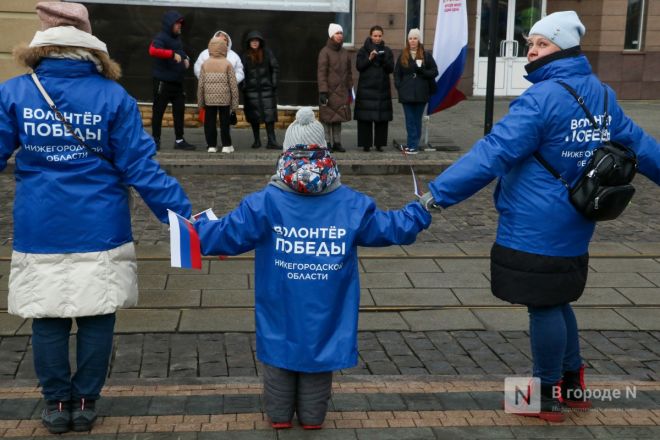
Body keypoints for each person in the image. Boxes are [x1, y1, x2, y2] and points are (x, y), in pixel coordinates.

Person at [418, 11, 660, 422]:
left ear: (563, 47)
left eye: (542, 43)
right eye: (530, 42)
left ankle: (546, 395)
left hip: (536, 222)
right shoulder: (601, 93)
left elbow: (492, 153)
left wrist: (437, 195)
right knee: (558, 300)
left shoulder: (541, 98)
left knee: (543, 307)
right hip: (577, 218)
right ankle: (573, 385)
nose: (531, 50)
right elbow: (643, 146)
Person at [0, 2, 192, 434]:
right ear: (88, 43)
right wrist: (185, 218)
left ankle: (55, 404)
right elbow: (142, 169)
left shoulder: (15, 92)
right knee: (97, 315)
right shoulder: (113, 96)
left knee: (46, 317)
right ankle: (85, 400)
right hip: (101, 225)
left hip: (39, 224)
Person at [195, 108, 431, 429]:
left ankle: (279, 418)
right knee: (317, 375)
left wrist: (186, 226)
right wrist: (421, 209)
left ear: (286, 153)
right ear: (325, 152)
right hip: (327, 315)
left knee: (279, 365)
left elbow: (223, 235)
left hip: (280, 312)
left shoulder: (263, 203)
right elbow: (392, 228)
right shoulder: (351, 204)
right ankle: (312, 420)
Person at [148, 10, 196, 151]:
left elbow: (179, 51)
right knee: (158, 112)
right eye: (177, 24)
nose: (179, 26)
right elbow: (152, 51)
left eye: (180, 24)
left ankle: (179, 140)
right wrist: (171, 54)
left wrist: (186, 58)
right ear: (170, 24)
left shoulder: (176, 38)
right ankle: (155, 141)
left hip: (177, 83)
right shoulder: (161, 37)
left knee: (179, 112)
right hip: (163, 83)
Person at [394, 28, 438, 154]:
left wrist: (423, 72)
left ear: (419, 40)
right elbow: (397, 73)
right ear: (408, 40)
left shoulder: (426, 55)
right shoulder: (403, 55)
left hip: (421, 92)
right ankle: (412, 144)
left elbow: (435, 71)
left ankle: (413, 146)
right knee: (409, 119)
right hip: (406, 93)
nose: (413, 41)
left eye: (415, 38)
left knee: (416, 119)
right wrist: (399, 86)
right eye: (410, 38)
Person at [354, 25, 394, 152]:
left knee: (381, 119)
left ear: (382, 36)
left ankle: (379, 144)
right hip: (366, 89)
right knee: (365, 118)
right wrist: (370, 58)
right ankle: (366, 144)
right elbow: (359, 66)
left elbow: (390, 68)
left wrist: (382, 60)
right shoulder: (362, 51)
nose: (377, 38)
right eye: (375, 35)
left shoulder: (387, 51)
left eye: (379, 36)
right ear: (371, 36)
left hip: (382, 90)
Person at [198, 37, 239, 153]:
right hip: (224, 100)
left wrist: (200, 103)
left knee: (209, 123)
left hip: (209, 100)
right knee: (224, 122)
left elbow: (200, 85)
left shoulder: (205, 64)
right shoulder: (227, 64)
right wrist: (234, 105)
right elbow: (233, 86)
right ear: (224, 48)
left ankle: (211, 146)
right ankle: (226, 145)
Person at [241, 30, 281, 149]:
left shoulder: (267, 53)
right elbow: (240, 71)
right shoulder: (245, 55)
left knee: (269, 117)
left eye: (256, 41)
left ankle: (271, 141)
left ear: (260, 42)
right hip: (251, 91)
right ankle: (257, 141)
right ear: (249, 42)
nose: (254, 43)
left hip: (266, 90)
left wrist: (273, 83)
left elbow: (275, 67)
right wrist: (243, 85)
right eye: (252, 41)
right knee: (254, 117)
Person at [317, 23, 352, 153]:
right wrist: (323, 91)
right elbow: (321, 73)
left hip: (342, 91)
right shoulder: (324, 52)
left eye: (341, 33)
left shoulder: (345, 53)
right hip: (328, 91)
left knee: (338, 118)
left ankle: (337, 142)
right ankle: (327, 143)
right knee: (327, 118)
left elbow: (349, 72)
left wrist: (350, 88)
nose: (340, 36)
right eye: (337, 33)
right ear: (331, 35)